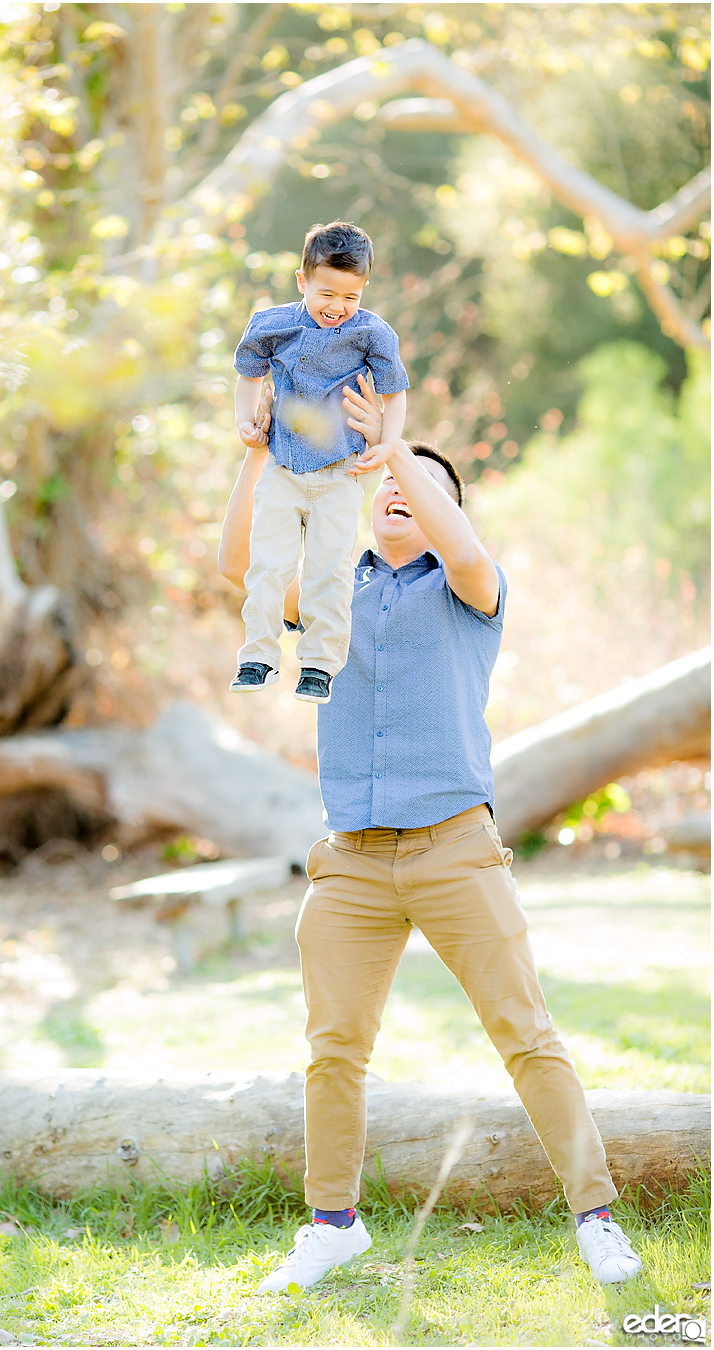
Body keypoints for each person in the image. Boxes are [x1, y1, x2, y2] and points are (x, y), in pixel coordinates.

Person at [218, 376, 643, 1293]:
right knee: (333, 1049)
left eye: (419, 491)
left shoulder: (469, 589)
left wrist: (397, 447)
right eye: (383, 491)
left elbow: (464, 546)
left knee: (526, 1034)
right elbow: (236, 562)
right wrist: (256, 453)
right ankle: (333, 1224)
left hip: (455, 847)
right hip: (353, 865)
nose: (395, 497)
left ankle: (596, 1217)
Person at [231, 220, 408, 705]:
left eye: (351, 297)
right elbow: (248, 376)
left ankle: (319, 664)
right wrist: (246, 422)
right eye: (327, 293)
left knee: (329, 570)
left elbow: (395, 394)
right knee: (268, 563)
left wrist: (388, 444)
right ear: (302, 281)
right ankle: (258, 655)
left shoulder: (372, 332)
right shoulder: (272, 325)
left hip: (340, 473)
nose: (338, 308)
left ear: (364, 290)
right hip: (283, 468)